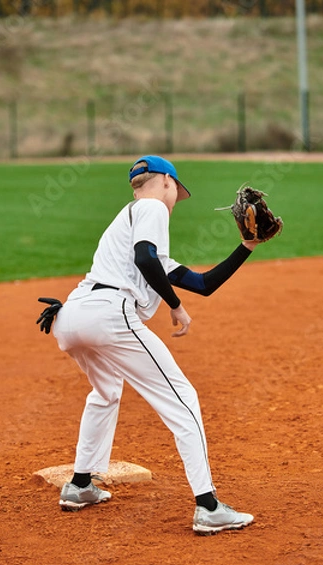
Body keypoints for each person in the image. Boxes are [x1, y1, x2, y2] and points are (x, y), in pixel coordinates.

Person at [51, 155, 257, 535]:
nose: (175, 200)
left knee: (106, 391)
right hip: (109, 315)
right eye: (176, 192)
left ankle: (80, 485)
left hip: (71, 314)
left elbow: (202, 283)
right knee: (183, 399)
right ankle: (208, 506)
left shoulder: (132, 223)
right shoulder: (150, 207)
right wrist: (176, 308)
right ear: (164, 182)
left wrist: (247, 245)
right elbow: (144, 258)